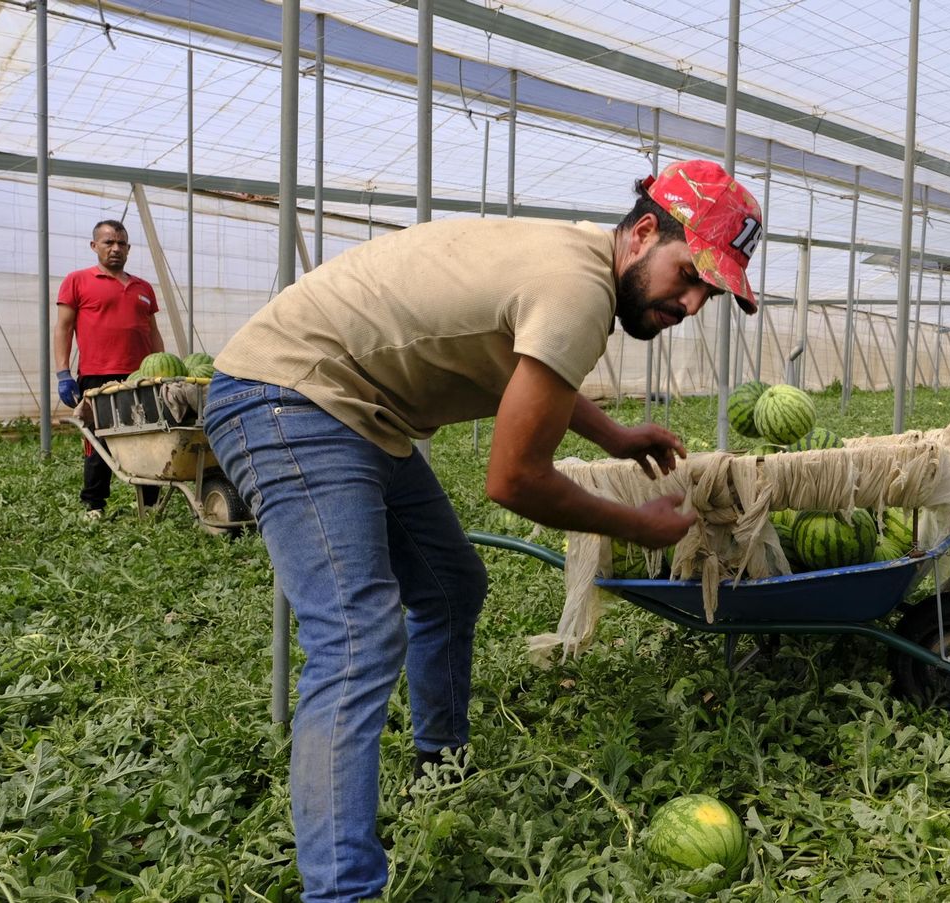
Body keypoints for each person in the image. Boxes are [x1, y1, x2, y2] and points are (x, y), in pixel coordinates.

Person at [202, 159, 763, 902]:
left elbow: (526, 365)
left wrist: (613, 437)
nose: (692, 302)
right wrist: (639, 525)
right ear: (646, 231)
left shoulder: (576, 259)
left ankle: (438, 762)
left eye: (709, 293)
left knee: (448, 584)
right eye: (689, 276)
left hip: (355, 409)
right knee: (355, 635)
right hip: (290, 397)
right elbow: (514, 479)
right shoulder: (578, 289)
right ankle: (342, 891)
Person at [53, 219, 165, 517]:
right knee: (97, 439)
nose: (115, 248)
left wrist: (162, 372)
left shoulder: (143, 287)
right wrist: (63, 373)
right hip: (97, 376)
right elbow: (63, 329)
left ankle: (149, 503)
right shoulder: (77, 280)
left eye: (121, 243)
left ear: (128, 248)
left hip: (140, 378)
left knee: (147, 437)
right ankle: (94, 504)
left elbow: (152, 332)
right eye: (108, 243)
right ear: (95, 246)